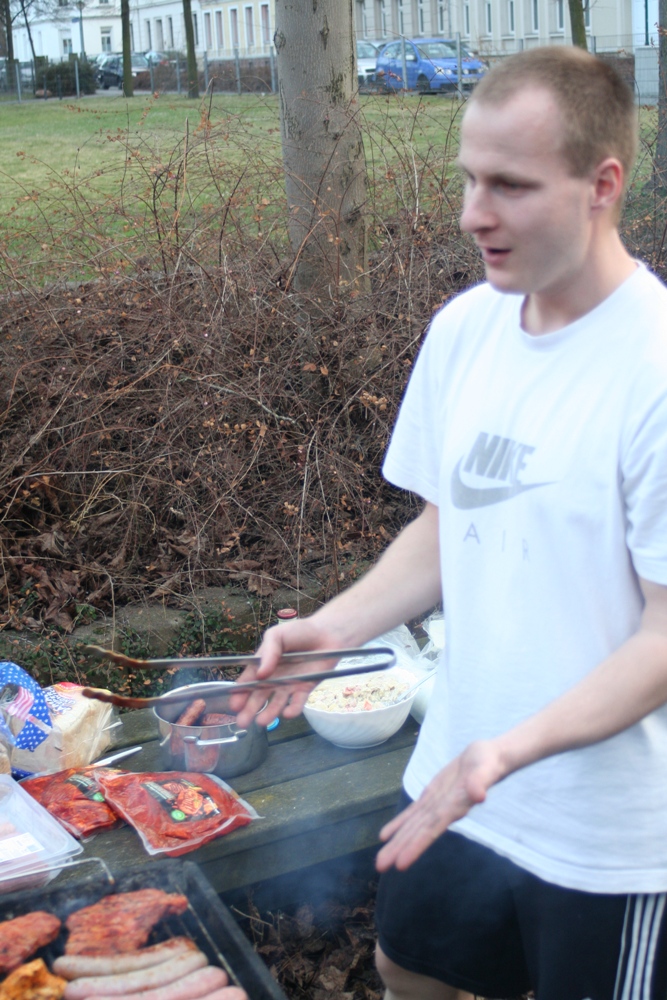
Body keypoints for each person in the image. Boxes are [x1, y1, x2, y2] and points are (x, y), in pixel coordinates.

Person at [233, 46, 667, 1000]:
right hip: (454, 783)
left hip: (606, 833)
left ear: (602, 184)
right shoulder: (466, 329)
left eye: (509, 185)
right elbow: (448, 526)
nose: (474, 212)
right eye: (469, 179)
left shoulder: (653, 369)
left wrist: (510, 751)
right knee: (408, 972)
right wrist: (336, 629)